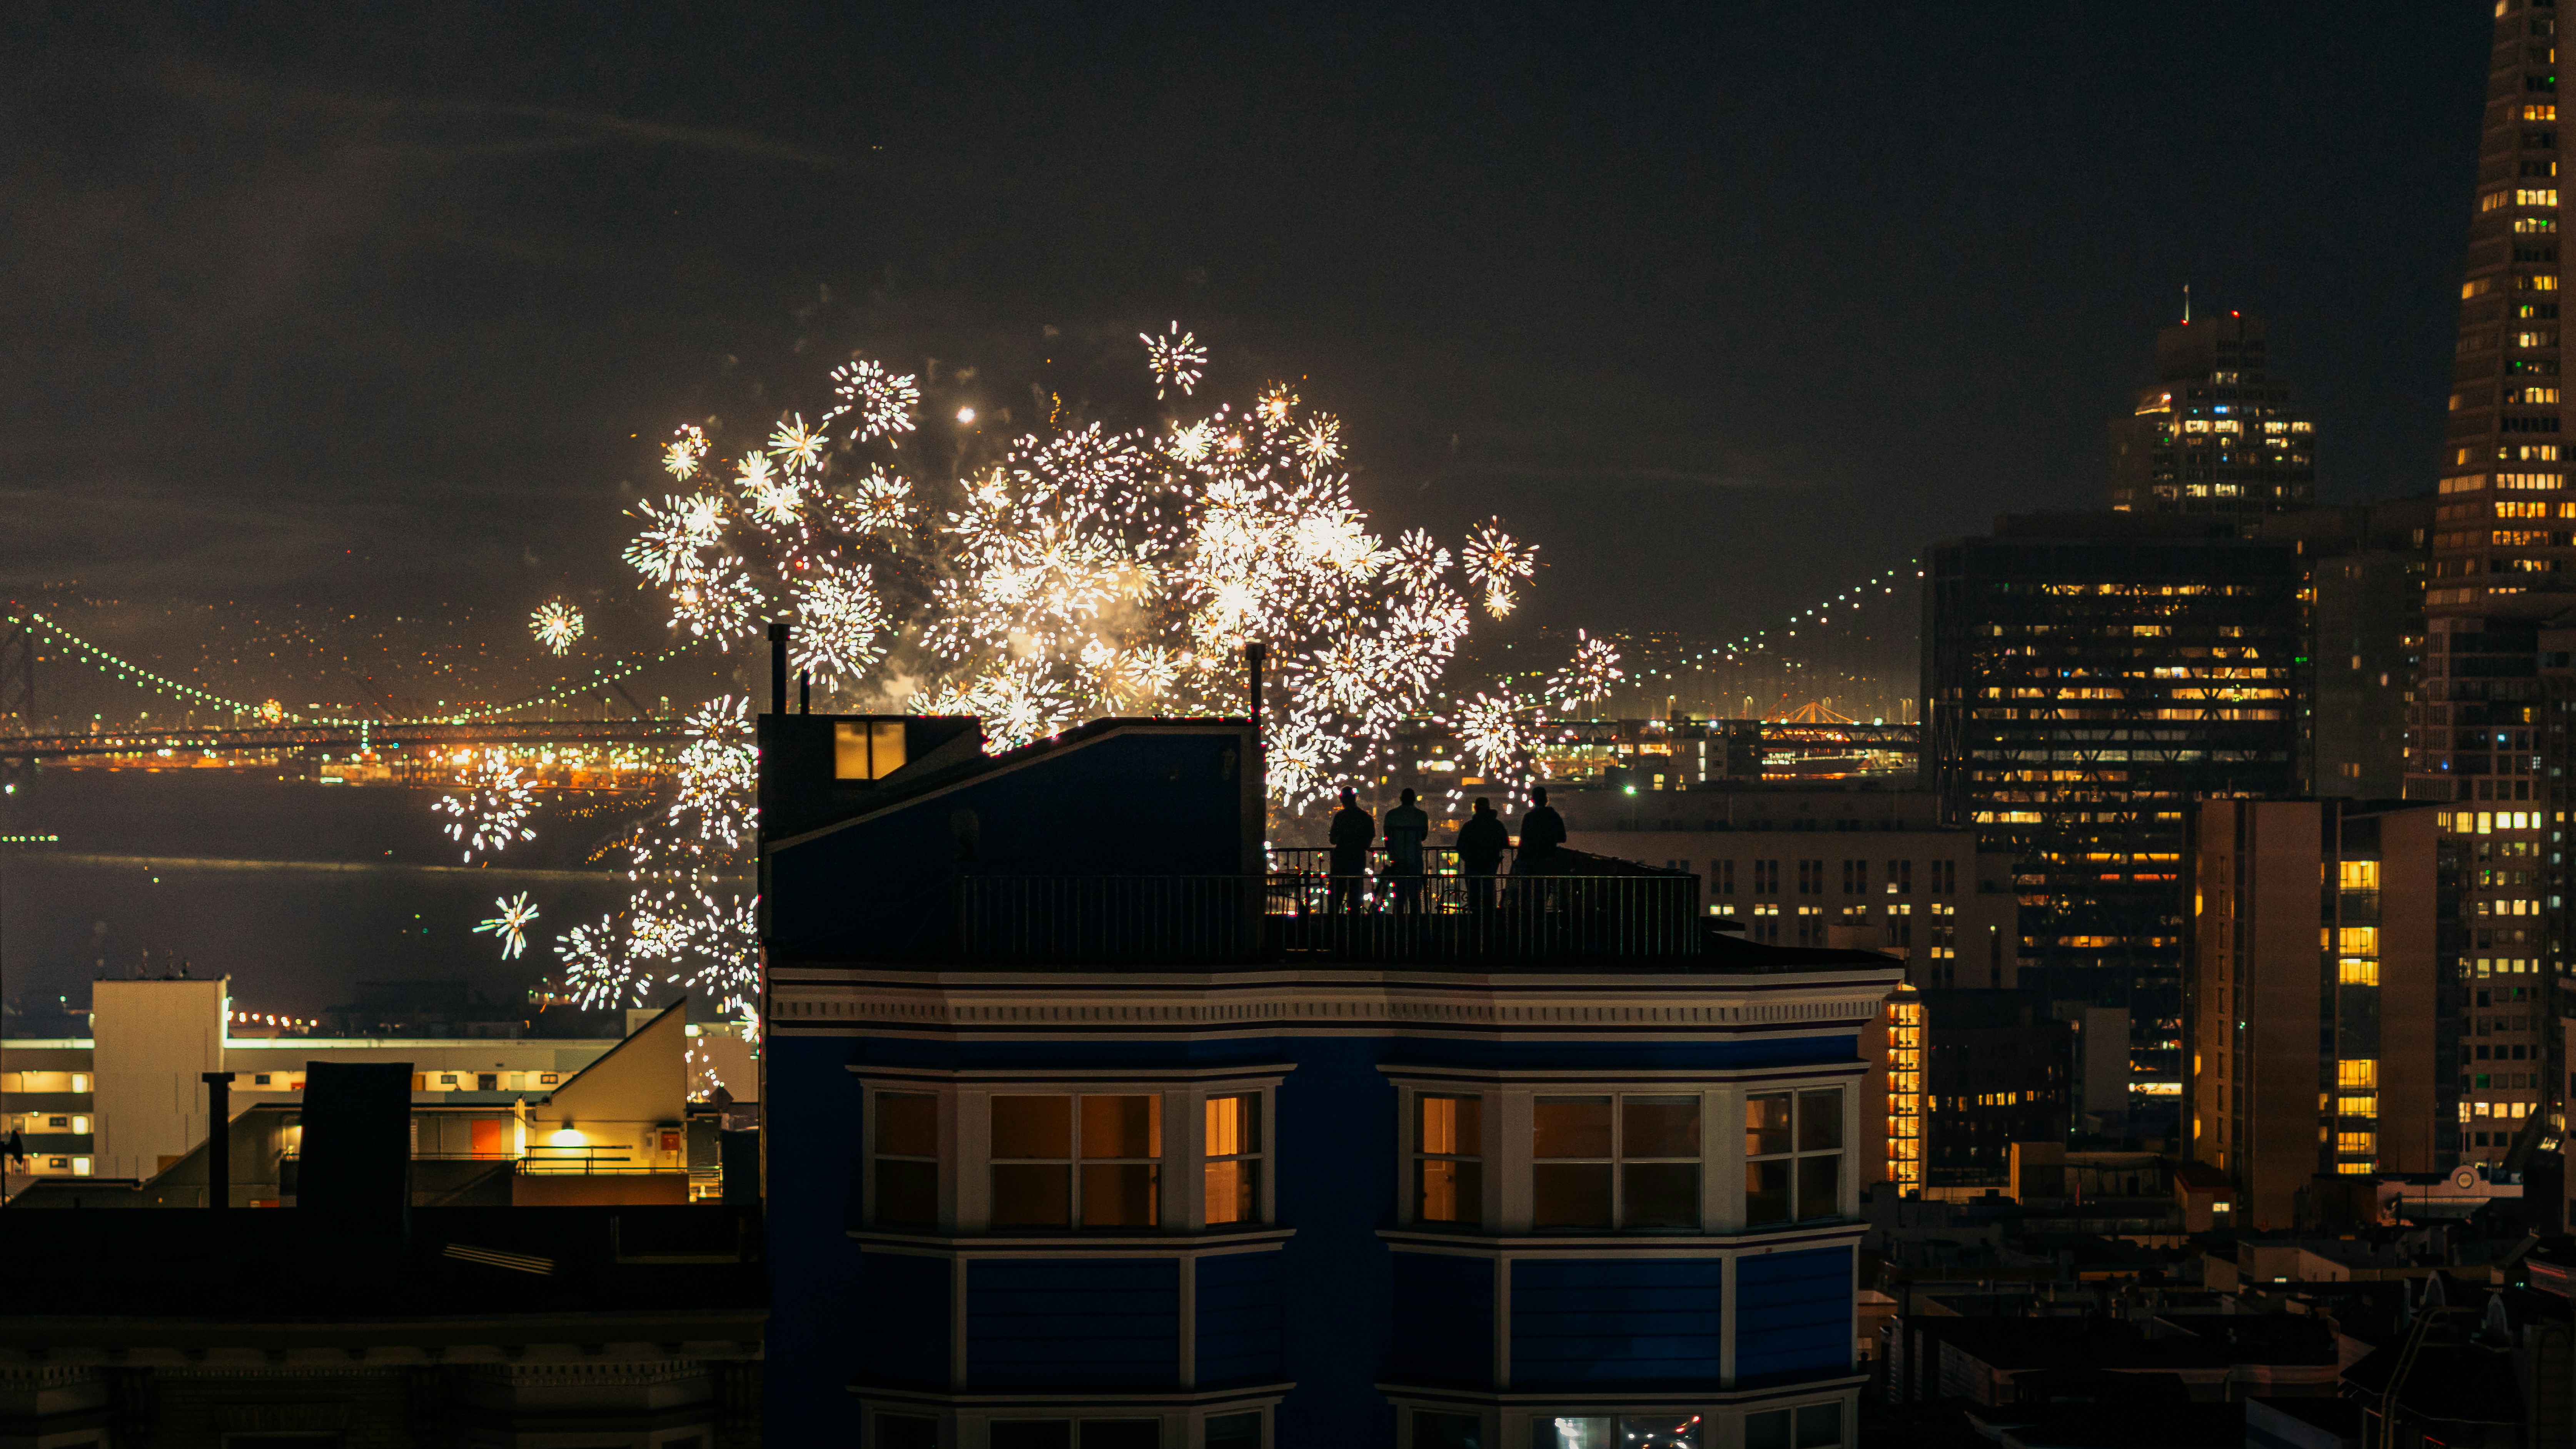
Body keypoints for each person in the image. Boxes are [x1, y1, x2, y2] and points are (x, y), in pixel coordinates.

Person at [1382, 788, 1430, 913]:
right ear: (1414, 800)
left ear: (1401, 799)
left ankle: (1398, 924)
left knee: (1399, 896)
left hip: (1398, 860)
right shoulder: (1421, 815)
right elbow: (1424, 836)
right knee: (1415, 896)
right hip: (1415, 859)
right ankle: (1416, 924)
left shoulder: (1391, 815)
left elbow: (1387, 837)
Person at [1327, 787, 1375, 913]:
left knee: (1336, 896)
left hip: (1340, 861)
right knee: (1355, 895)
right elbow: (1368, 841)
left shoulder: (1340, 817)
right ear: (1355, 798)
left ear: (1342, 799)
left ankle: (1333, 926)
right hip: (1357, 860)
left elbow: (1333, 839)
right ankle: (1355, 926)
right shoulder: (1365, 817)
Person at [1456, 796, 1508, 909]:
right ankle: (1489, 920)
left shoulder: (1469, 826)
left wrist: (1468, 858)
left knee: (1474, 895)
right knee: (1488, 892)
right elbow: (1505, 843)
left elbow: (1460, 846)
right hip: (1491, 864)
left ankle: (1475, 920)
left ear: (1475, 809)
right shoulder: (1497, 825)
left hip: (1473, 865)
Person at [1517, 785, 1568, 875]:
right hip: (1549, 856)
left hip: (1531, 859)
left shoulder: (1529, 817)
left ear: (1533, 800)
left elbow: (1524, 838)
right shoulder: (1554, 816)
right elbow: (1562, 838)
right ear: (1546, 800)